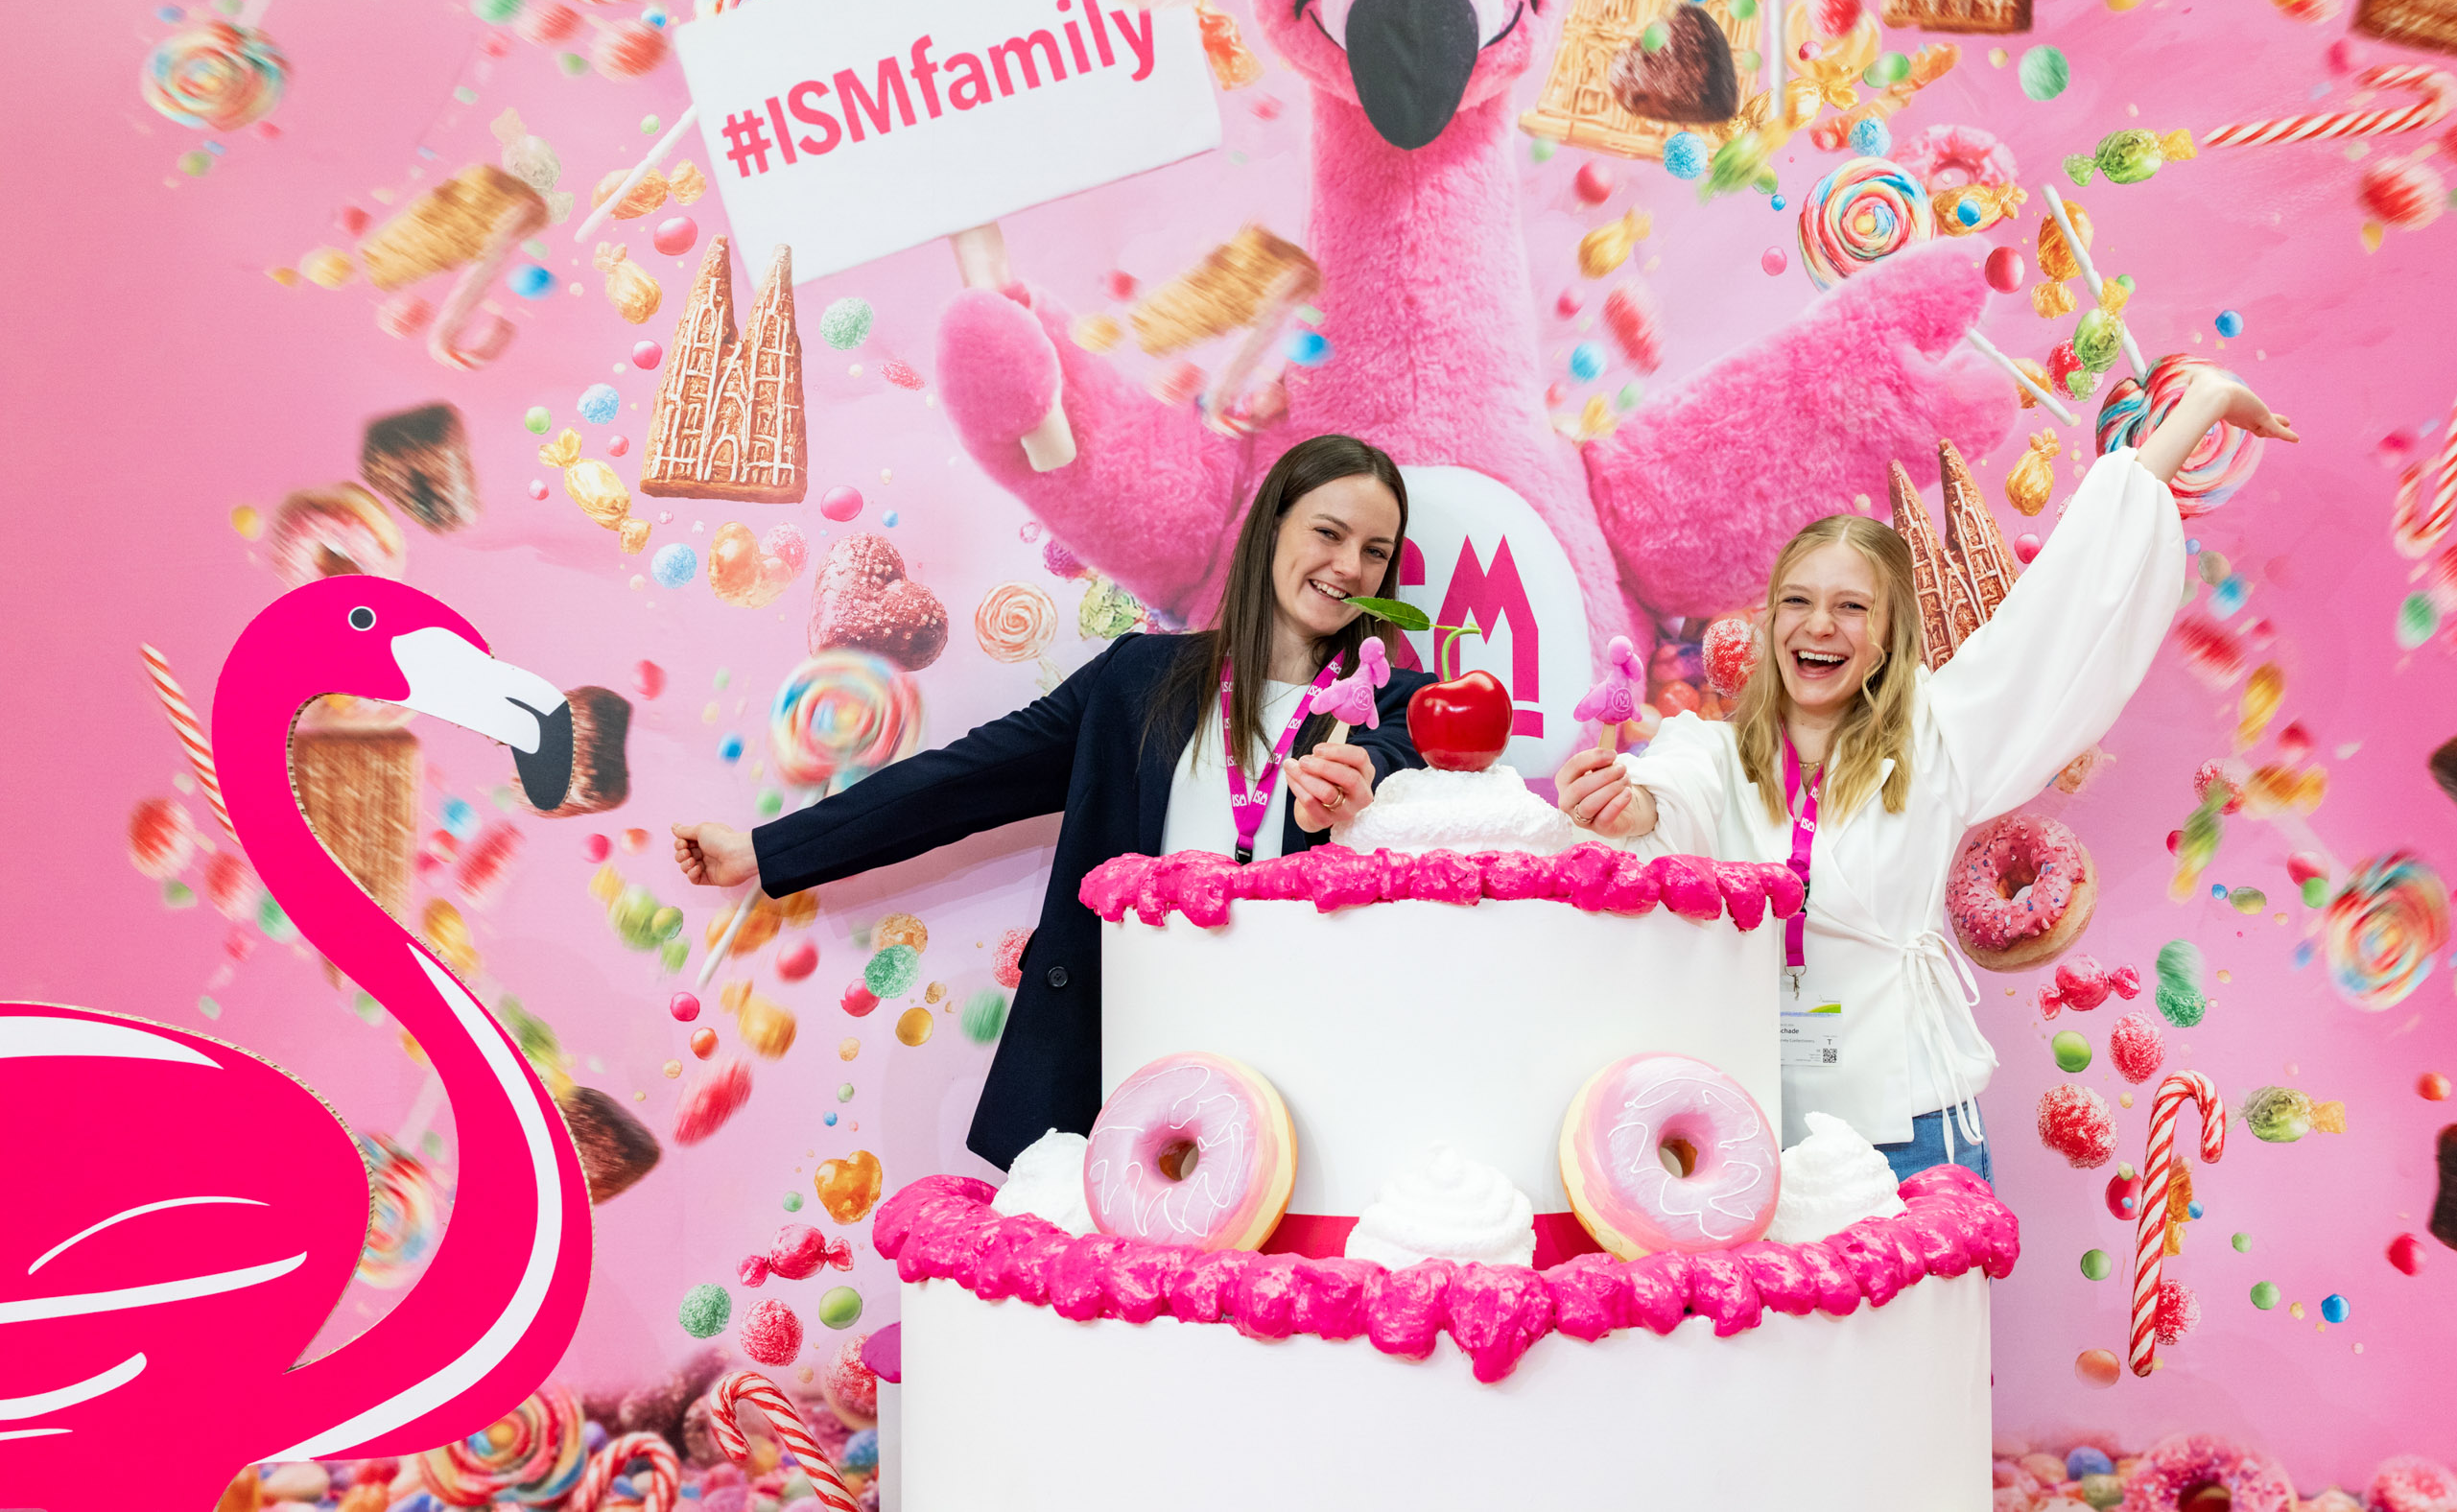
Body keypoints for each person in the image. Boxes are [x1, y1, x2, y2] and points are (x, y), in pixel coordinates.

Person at [1553, 366, 2298, 1180]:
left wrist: (2203, 406)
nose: (1819, 625)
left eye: (1851, 606)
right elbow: (1668, 799)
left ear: (1889, 635)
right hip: (1757, 1137)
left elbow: (2065, 601)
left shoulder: (1938, 735)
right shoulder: (1715, 756)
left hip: (1914, 1132)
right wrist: (1627, 808)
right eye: (1797, 601)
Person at [671, 434, 1432, 1172]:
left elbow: (1398, 782)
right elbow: (962, 781)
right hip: (1124, 1047)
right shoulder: (1140, 677)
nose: (1349, 566)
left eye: (1376, 551)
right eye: (1328, 533)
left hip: (1295, 1066)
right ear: (1272, 528)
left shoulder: (1396, 708)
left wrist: (1362, 795)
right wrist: (763, 850)